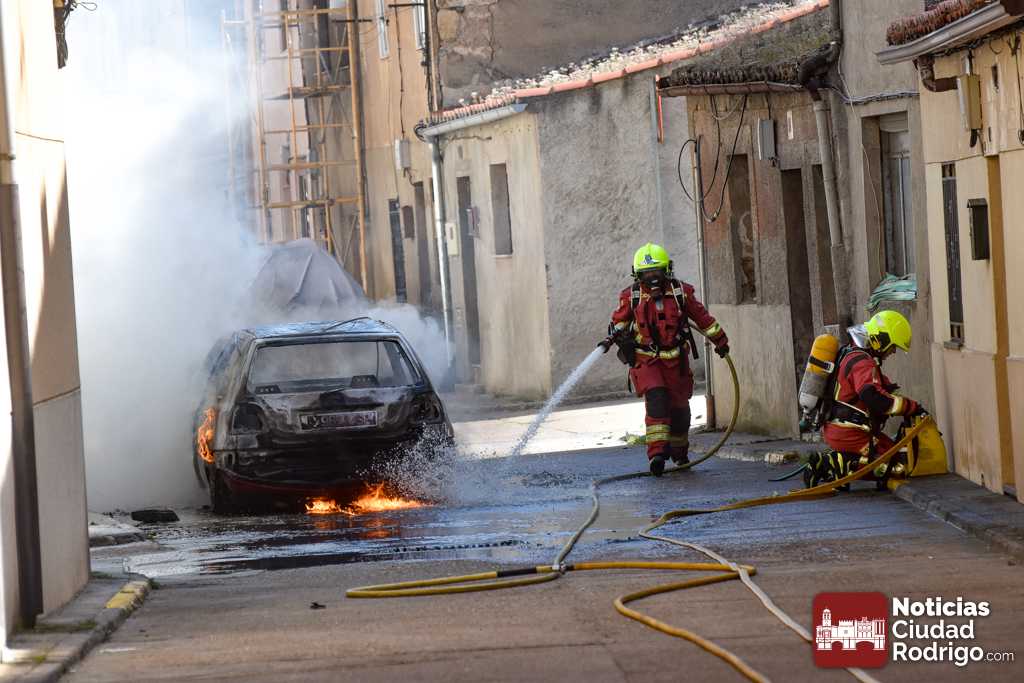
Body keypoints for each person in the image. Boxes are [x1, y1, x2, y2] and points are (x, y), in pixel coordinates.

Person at [603, 243, 729, 477]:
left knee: (680, 411)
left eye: (657, 272)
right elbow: (619, 322)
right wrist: (615, 335)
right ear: (637, 275)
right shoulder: (631, 297)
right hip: (647, 360)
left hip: (676, 362)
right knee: (657, 400)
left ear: (667, 270)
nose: (652, 278)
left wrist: (720, 341)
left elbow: (703, 319)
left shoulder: (681, 293)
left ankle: (679, 454)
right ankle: (657, 454)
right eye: (646, 274)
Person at [815, 310, 927, 484]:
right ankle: (836, 465)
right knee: (895, 469)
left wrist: (904, 402)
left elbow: (880, 389)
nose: (893, 352)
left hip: (843, 429)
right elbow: (873, 397)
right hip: (850, 432)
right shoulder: (862, 362)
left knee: (897, 455)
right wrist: (911, 408)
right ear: (881, 340)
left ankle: (842, 461)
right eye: (893, 346)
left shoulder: (853, 353)